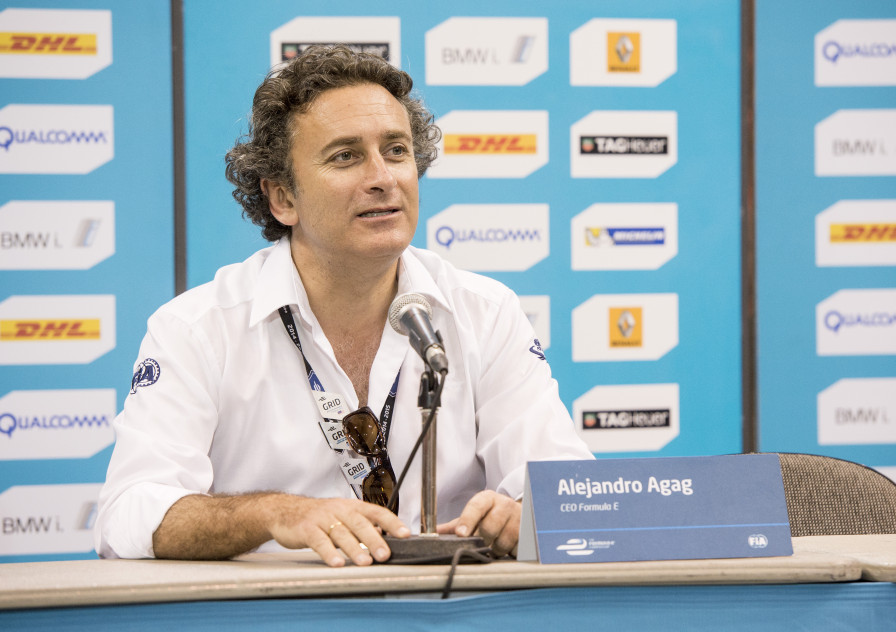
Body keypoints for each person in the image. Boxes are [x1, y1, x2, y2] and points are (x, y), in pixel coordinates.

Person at [94, 45, 593, 566]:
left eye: (396, 151)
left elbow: (573, 492)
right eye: (345, 157)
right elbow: (129, 514)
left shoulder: (486, 314)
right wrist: (275, 513)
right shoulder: (198, 328)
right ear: (283, 198)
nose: (383, 178)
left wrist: (526, 514)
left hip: (451, 603)